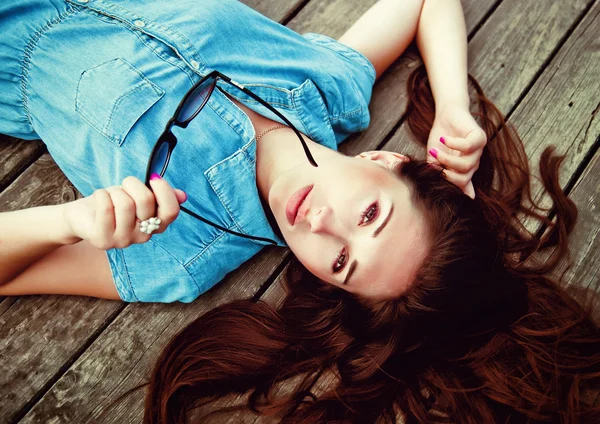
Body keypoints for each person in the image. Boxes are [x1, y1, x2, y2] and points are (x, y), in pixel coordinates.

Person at [1, 0, 599, 422]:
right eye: (369, 216)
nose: (321, 224)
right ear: (388, 162)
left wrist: (68, 223)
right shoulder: (326, 86)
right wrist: (452, 106)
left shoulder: (179, 251)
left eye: (341, 261)